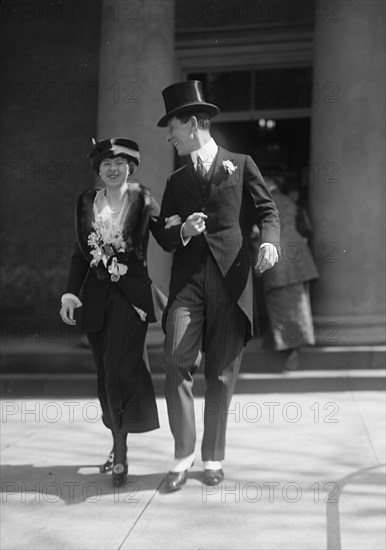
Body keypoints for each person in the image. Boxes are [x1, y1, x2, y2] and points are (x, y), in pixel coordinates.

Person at [155, 81, 281, 491]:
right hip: (188, 284)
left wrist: (269, 241)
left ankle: (212, 457)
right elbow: (164, 233)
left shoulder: (241, 164)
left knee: (222, 374)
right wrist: (184, 232)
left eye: (172, 127)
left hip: (232, 282)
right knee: (175, 361)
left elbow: (268, 210)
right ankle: (182, 454)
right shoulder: (176, 181)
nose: (170, 136)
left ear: (192, 124)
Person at [59, 137, 168, 487]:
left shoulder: (142, 198)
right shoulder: (85, 202)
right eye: (106, 162)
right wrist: (69, 294)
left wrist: (185, 228)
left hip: (130, 300)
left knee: (120, 371)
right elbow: (80, 254)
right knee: (106, 373)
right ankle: (115, 438)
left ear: (130, 168)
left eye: (120, 162)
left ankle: (120, 449)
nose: (113, 167)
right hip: (95, 301)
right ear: (98, 169)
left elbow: (165, 234)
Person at [260, 173, 319, 369]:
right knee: (296, 303)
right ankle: (289, 346)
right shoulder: (289, 201)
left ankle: (289, 348)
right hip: (296, 259)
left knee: (281, 303)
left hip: (277, 258)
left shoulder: (266, 201)